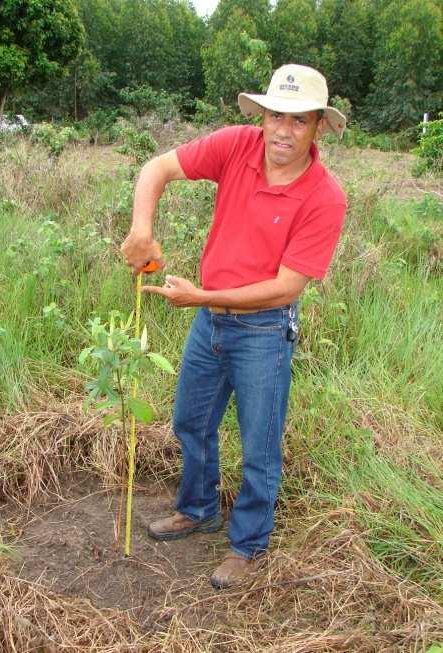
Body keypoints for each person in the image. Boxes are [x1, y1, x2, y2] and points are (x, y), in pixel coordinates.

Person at [121, 64, 347, 589]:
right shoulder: (236, 146)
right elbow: (156, 168)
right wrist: (142, 229)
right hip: (209, 324)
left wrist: (201, 295)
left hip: (264, 331)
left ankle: (247, 544)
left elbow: (286, 288)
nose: (283, 131)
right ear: (262, 116)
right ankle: (197, 508)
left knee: (259, 444)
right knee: (190, 421)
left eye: (298, 120)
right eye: (275, 116)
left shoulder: (323, 197)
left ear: (318, 128)